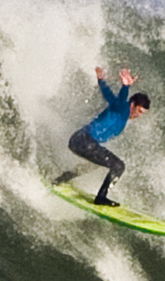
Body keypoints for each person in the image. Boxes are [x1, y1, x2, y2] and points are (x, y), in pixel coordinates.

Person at [63, 66, 150, 206]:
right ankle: (101, 197)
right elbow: (122, 99)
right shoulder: (123, 108)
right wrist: (125, 86)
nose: (138, 116)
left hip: (78, 139)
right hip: (84, 140)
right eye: (138, 111)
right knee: (118, 166)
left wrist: (101, 80)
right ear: (132, 104)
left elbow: (108, 95)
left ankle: (64, 177)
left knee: (95, 164)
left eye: (142, 114)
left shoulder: (117, 109)